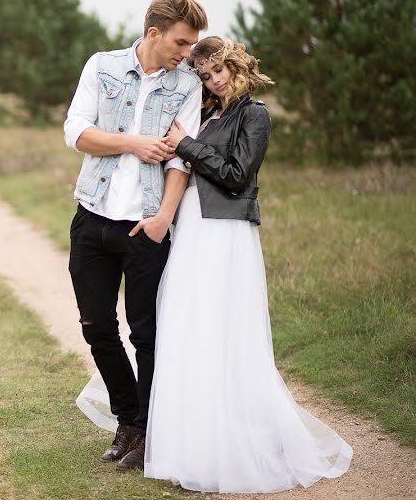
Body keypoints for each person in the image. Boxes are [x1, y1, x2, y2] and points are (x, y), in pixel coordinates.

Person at [142, 36, 352, 492]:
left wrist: (186, 146)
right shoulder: (205, 113)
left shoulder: (254, 115)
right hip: (193, 228)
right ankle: (190, 445)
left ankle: (237, 443)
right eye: (205, 75)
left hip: (225, 231)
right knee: (187, 324)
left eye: (218, 71)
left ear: (235, 66)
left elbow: (238, 175)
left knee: (221, 328)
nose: (214, 81)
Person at [63, 0, 207, 469]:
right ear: (153, 34)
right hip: (93, 217)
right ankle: (128, 420)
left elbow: (182, 156)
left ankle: (148, 430)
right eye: (181, 42)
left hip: (146, 226)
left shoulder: (186, 85)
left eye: (190, 45)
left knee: (146, 334)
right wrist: (134, 143)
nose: (187, 54)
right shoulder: (101, 66)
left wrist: (164, 218)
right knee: (96, 326)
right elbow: (76, 132)